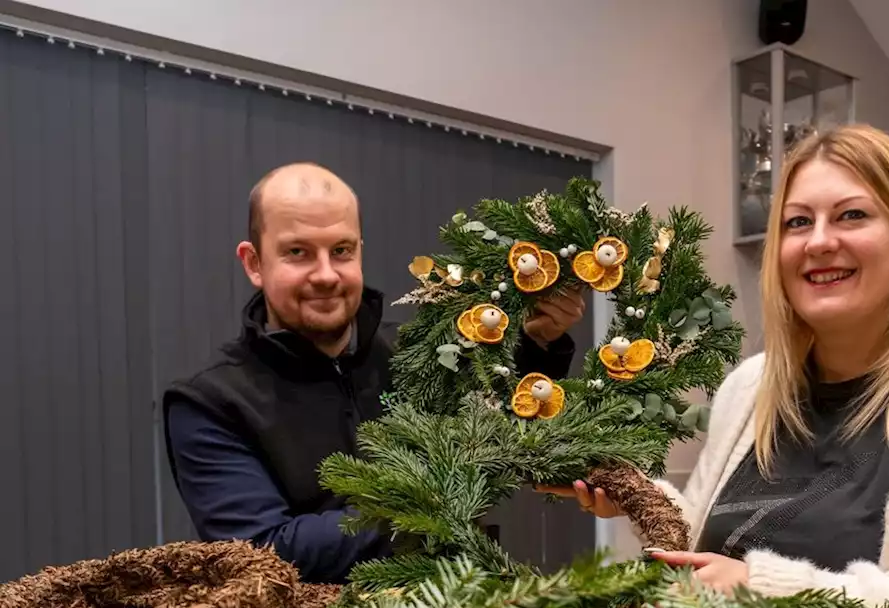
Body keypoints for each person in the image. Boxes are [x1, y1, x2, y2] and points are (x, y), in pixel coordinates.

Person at [549, 124, 889, 608]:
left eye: (851, 215)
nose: (818, 242)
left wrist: (767, 591)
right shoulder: (751, 386)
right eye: (797, 222)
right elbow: (708, 536)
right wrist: (637, 495)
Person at [164, 162, 585, 584]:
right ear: (254, 263)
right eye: (298, 252)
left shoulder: (420, 353)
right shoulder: (209, 403)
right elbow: (264, 550)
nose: (326, 274)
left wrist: (538, 341)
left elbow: (504, 429)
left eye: (342, 250)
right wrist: (432, 501)